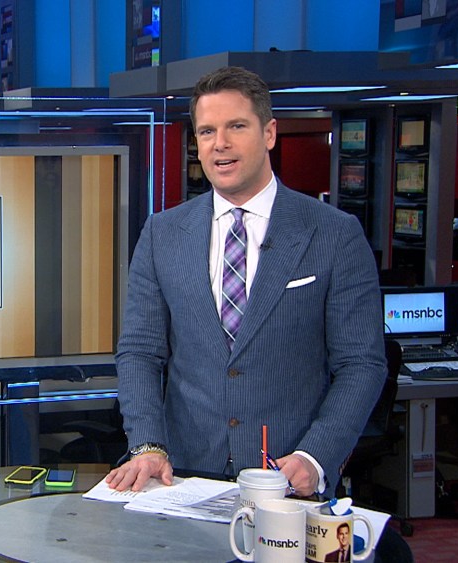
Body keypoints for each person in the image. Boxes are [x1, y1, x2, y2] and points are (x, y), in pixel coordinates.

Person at [105, 66, 385, 498]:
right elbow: (140, 350)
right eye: (207, 131)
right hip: (184, 473)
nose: (220, 143)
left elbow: (361, 363)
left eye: (236, 126)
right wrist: (147, 444)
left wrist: (316, 455)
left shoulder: (334, 233)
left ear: (269, 133)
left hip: (288, 478)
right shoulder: (163, 233)